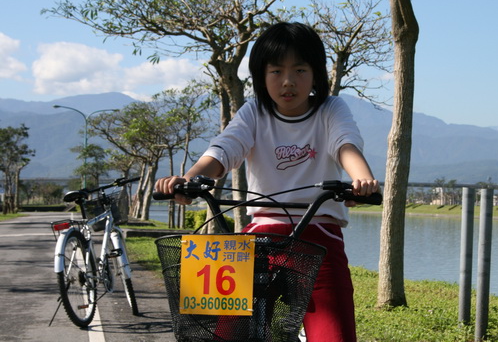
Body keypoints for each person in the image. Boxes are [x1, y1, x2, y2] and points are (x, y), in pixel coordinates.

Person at [154, 21, 379, 341]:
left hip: (319, 240)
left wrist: (362, 179)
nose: (288, 81)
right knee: (225, 335)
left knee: (335, 334)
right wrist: (189, 179)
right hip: (259, 240)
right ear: (262, 76)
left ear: (316, 73)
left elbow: (345, 144)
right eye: (276, 71)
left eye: (300, 70)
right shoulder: (254, 112)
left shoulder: (330, 109)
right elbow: (223, 150)